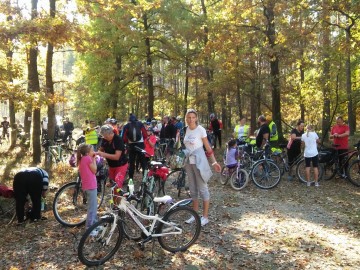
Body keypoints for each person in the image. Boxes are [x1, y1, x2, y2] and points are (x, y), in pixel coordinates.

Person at [182, 109, 221, 226]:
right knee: (193, 189)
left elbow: (208, 148)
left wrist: (214, 162)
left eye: (193, 117)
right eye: (189, 117)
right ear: (186, 118)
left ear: (196, 118)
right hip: (189, 162)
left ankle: (205, 217)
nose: (191, 120)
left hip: (199, 162)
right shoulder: (186, 129)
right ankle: (194, 214)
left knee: (203, 188)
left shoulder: (201, 130)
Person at [97, 125, 128, 190]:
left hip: (120, 165)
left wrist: (103, 154)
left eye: (106, 136)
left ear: (111, 133)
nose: (104, 138)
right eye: (103, 136)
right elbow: (101, 149)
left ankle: (118, 199)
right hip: (111, 166)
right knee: (112, 186)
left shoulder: (118, 140)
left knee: (117, 187)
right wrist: (96, 154)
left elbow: (117, 157)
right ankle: (114, 199)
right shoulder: (104, 139)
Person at [77, 144, 98, 230]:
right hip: (91, 186)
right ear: (87, 152)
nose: (94, 152)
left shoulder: (82, 159)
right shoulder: (88, 158)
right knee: (92, 208)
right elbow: (94, 170)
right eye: (92, 150)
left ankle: (95, 224)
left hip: (87, 186)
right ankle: (89, 229)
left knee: (93, 206)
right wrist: (94, 160)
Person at [122, 114, 148, 179]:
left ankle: (131, 179)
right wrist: (143, 140)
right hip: (140, 145)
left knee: (132, 163)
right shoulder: (140, 124)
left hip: (131, 146)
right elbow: (145, 135)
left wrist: (127, 142)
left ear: (129, 119)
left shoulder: (126, 126)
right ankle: (144, 179)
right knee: (143, 162)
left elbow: (124, 138)